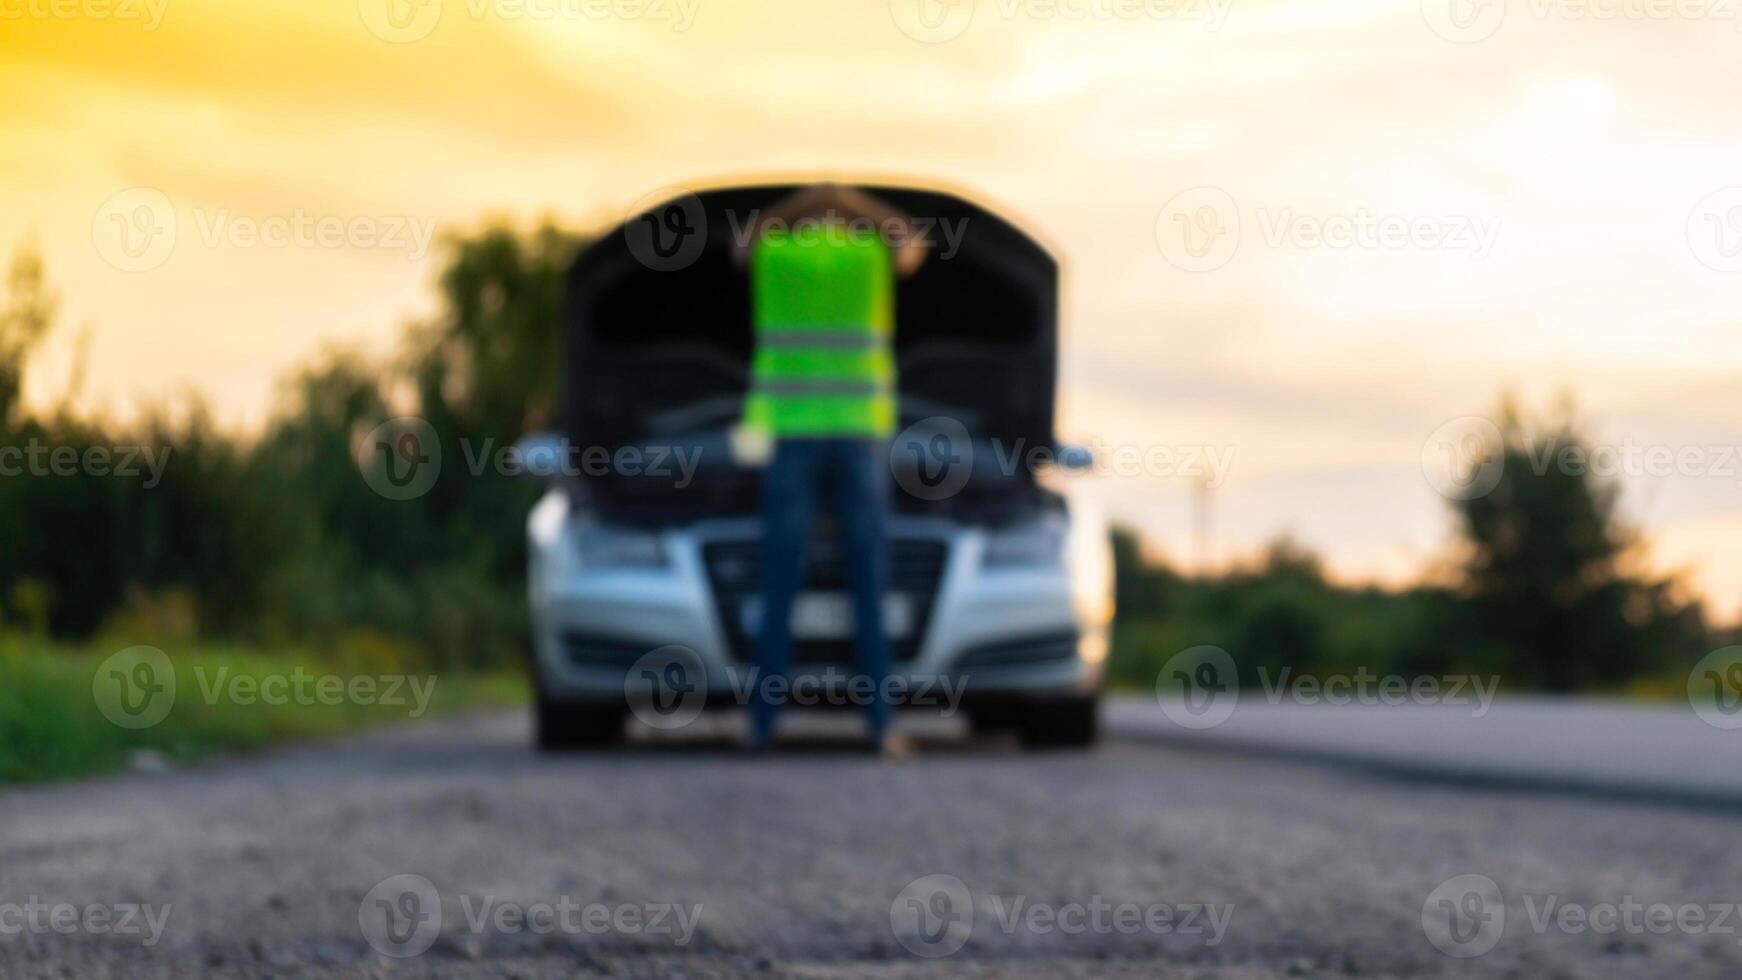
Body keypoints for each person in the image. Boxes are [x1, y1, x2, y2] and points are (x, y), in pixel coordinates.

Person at [729, 184, 928, 756]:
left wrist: (803, 203)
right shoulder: (867, 254)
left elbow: (741, 245)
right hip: (857, 434)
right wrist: (849, 199)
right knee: (868, 578)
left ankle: (761, 725)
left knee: (780, 579)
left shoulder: (779, 253)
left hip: (792, 435)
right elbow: (912, 246)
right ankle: (881, 725)